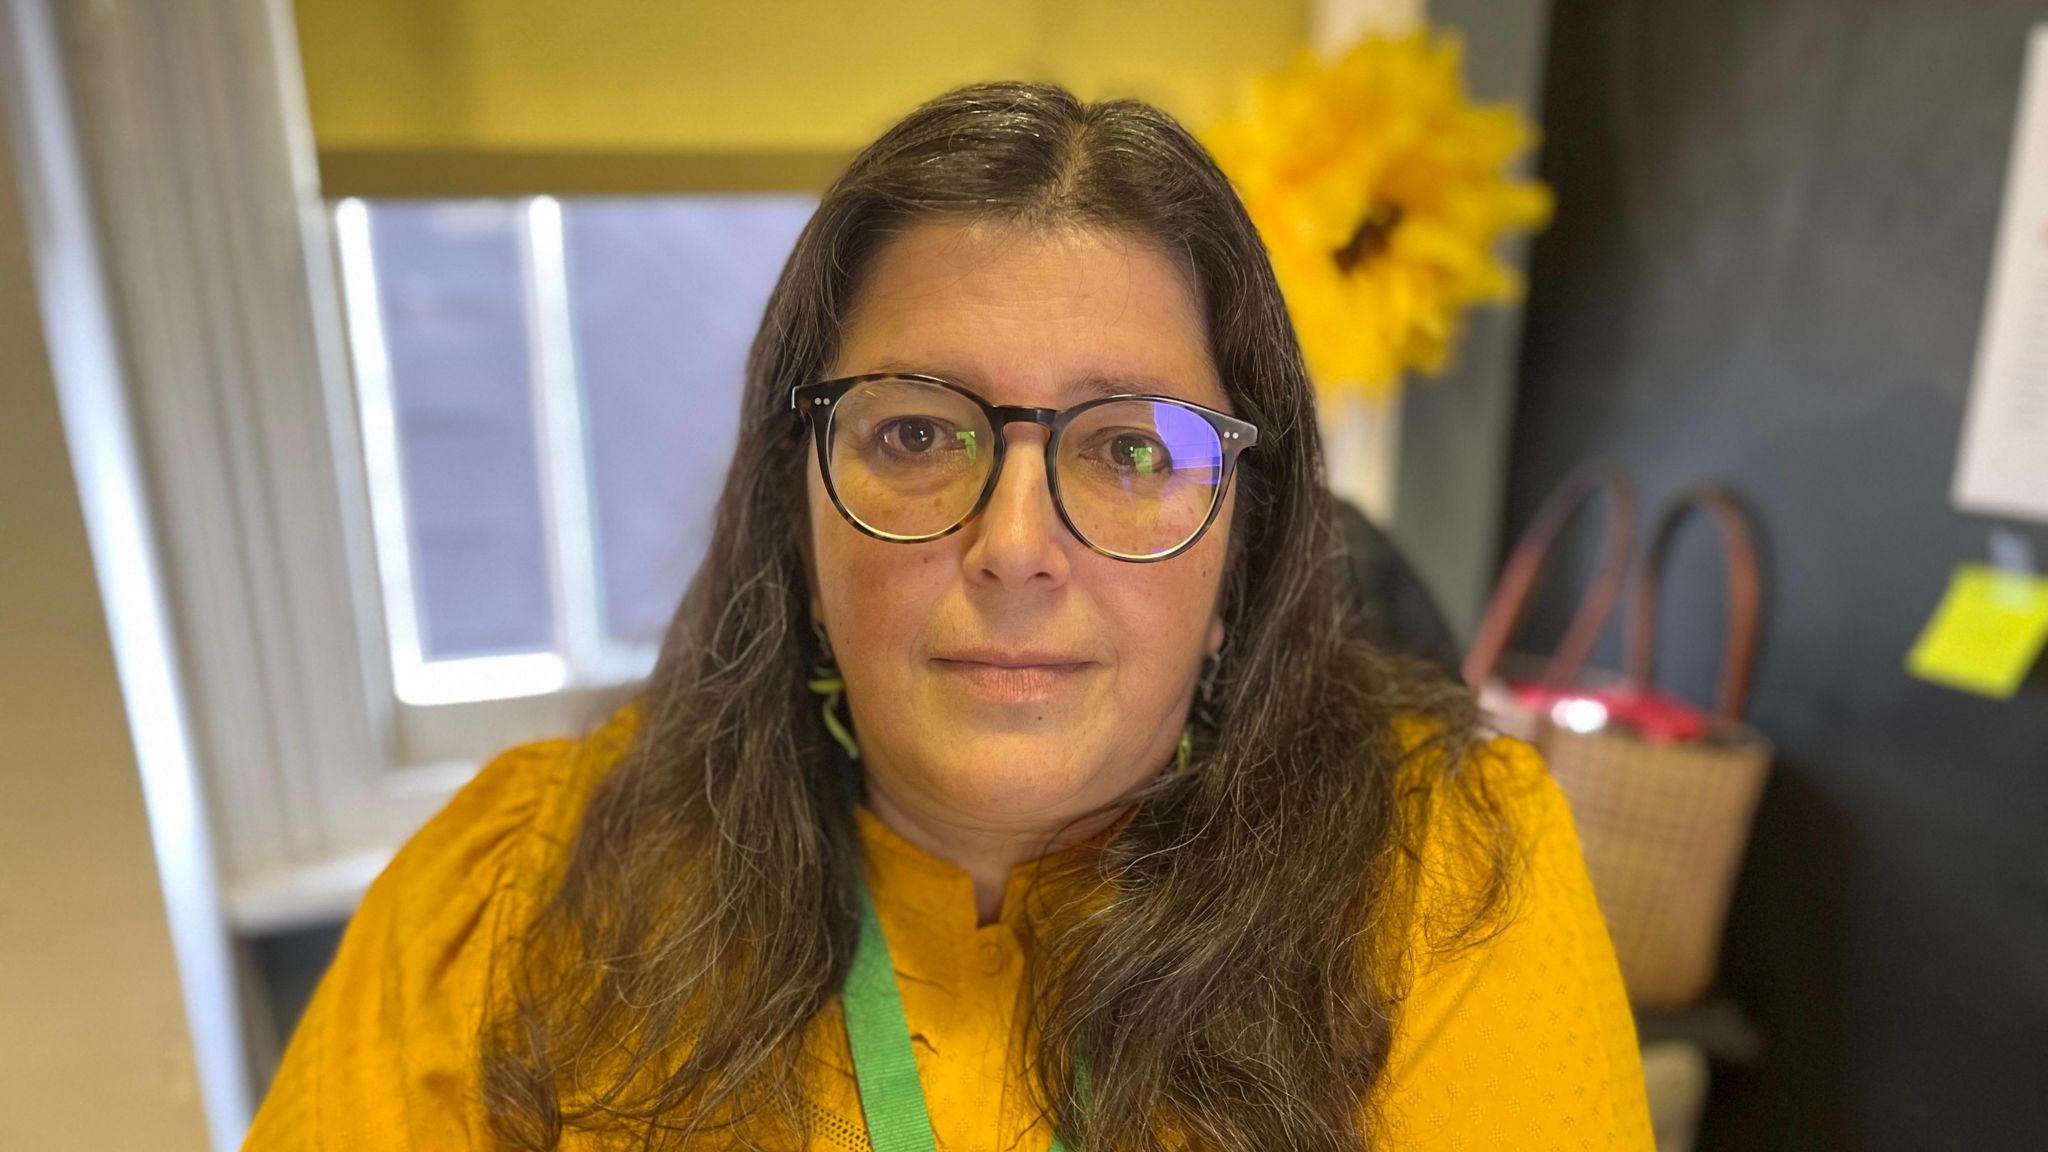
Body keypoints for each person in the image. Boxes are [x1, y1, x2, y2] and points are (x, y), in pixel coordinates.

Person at [244, 82, 1651, 1151]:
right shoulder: (507, 901)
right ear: (794, 521)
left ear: (1249, 547)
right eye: (917, 435)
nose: (1017, 545)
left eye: (1136, 448)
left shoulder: (1449, 875)